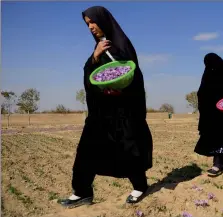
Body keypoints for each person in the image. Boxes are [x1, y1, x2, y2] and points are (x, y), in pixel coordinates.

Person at [59, 6, 153, 208]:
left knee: (129, 148)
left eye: (93, 22)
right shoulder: (99, 48)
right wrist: (94, 57)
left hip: (123, 111)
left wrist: (119, 89)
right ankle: (82, 191)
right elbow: (92, 77)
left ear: (104, 21)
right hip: (101, 111)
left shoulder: (121, 44)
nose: (91, 27)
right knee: (86, 149)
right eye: (87, 24)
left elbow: (132, 75)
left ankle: (140, 186)